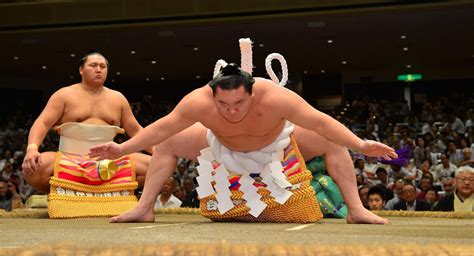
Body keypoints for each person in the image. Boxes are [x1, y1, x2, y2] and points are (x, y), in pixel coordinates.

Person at [90, 63, 397, 224]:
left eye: (239, 102)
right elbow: (161, 128)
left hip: (280, 142)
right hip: (222, 146)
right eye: (224, 104)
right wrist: (122, 148)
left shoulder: (275, 97)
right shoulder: (199, 102)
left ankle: (356, 210)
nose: (232, 110)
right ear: (213, 96)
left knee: (332, 140)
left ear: (253, 93)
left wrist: (360, 143)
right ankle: (144, 208)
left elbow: (320, 121)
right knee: (170, 141)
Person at [22, 52, 150, 193]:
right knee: (33, 169)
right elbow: (43, 123)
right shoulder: (64, 95)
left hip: (109, 162)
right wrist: (32, 148)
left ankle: (104, 190)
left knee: (156, 166)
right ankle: (68, 191)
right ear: (81, 70)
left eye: (103, 66)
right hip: (69, 159)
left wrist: (156, 151)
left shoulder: (118, 98)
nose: (98, 69)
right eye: (93, 65)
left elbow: (137, 131)